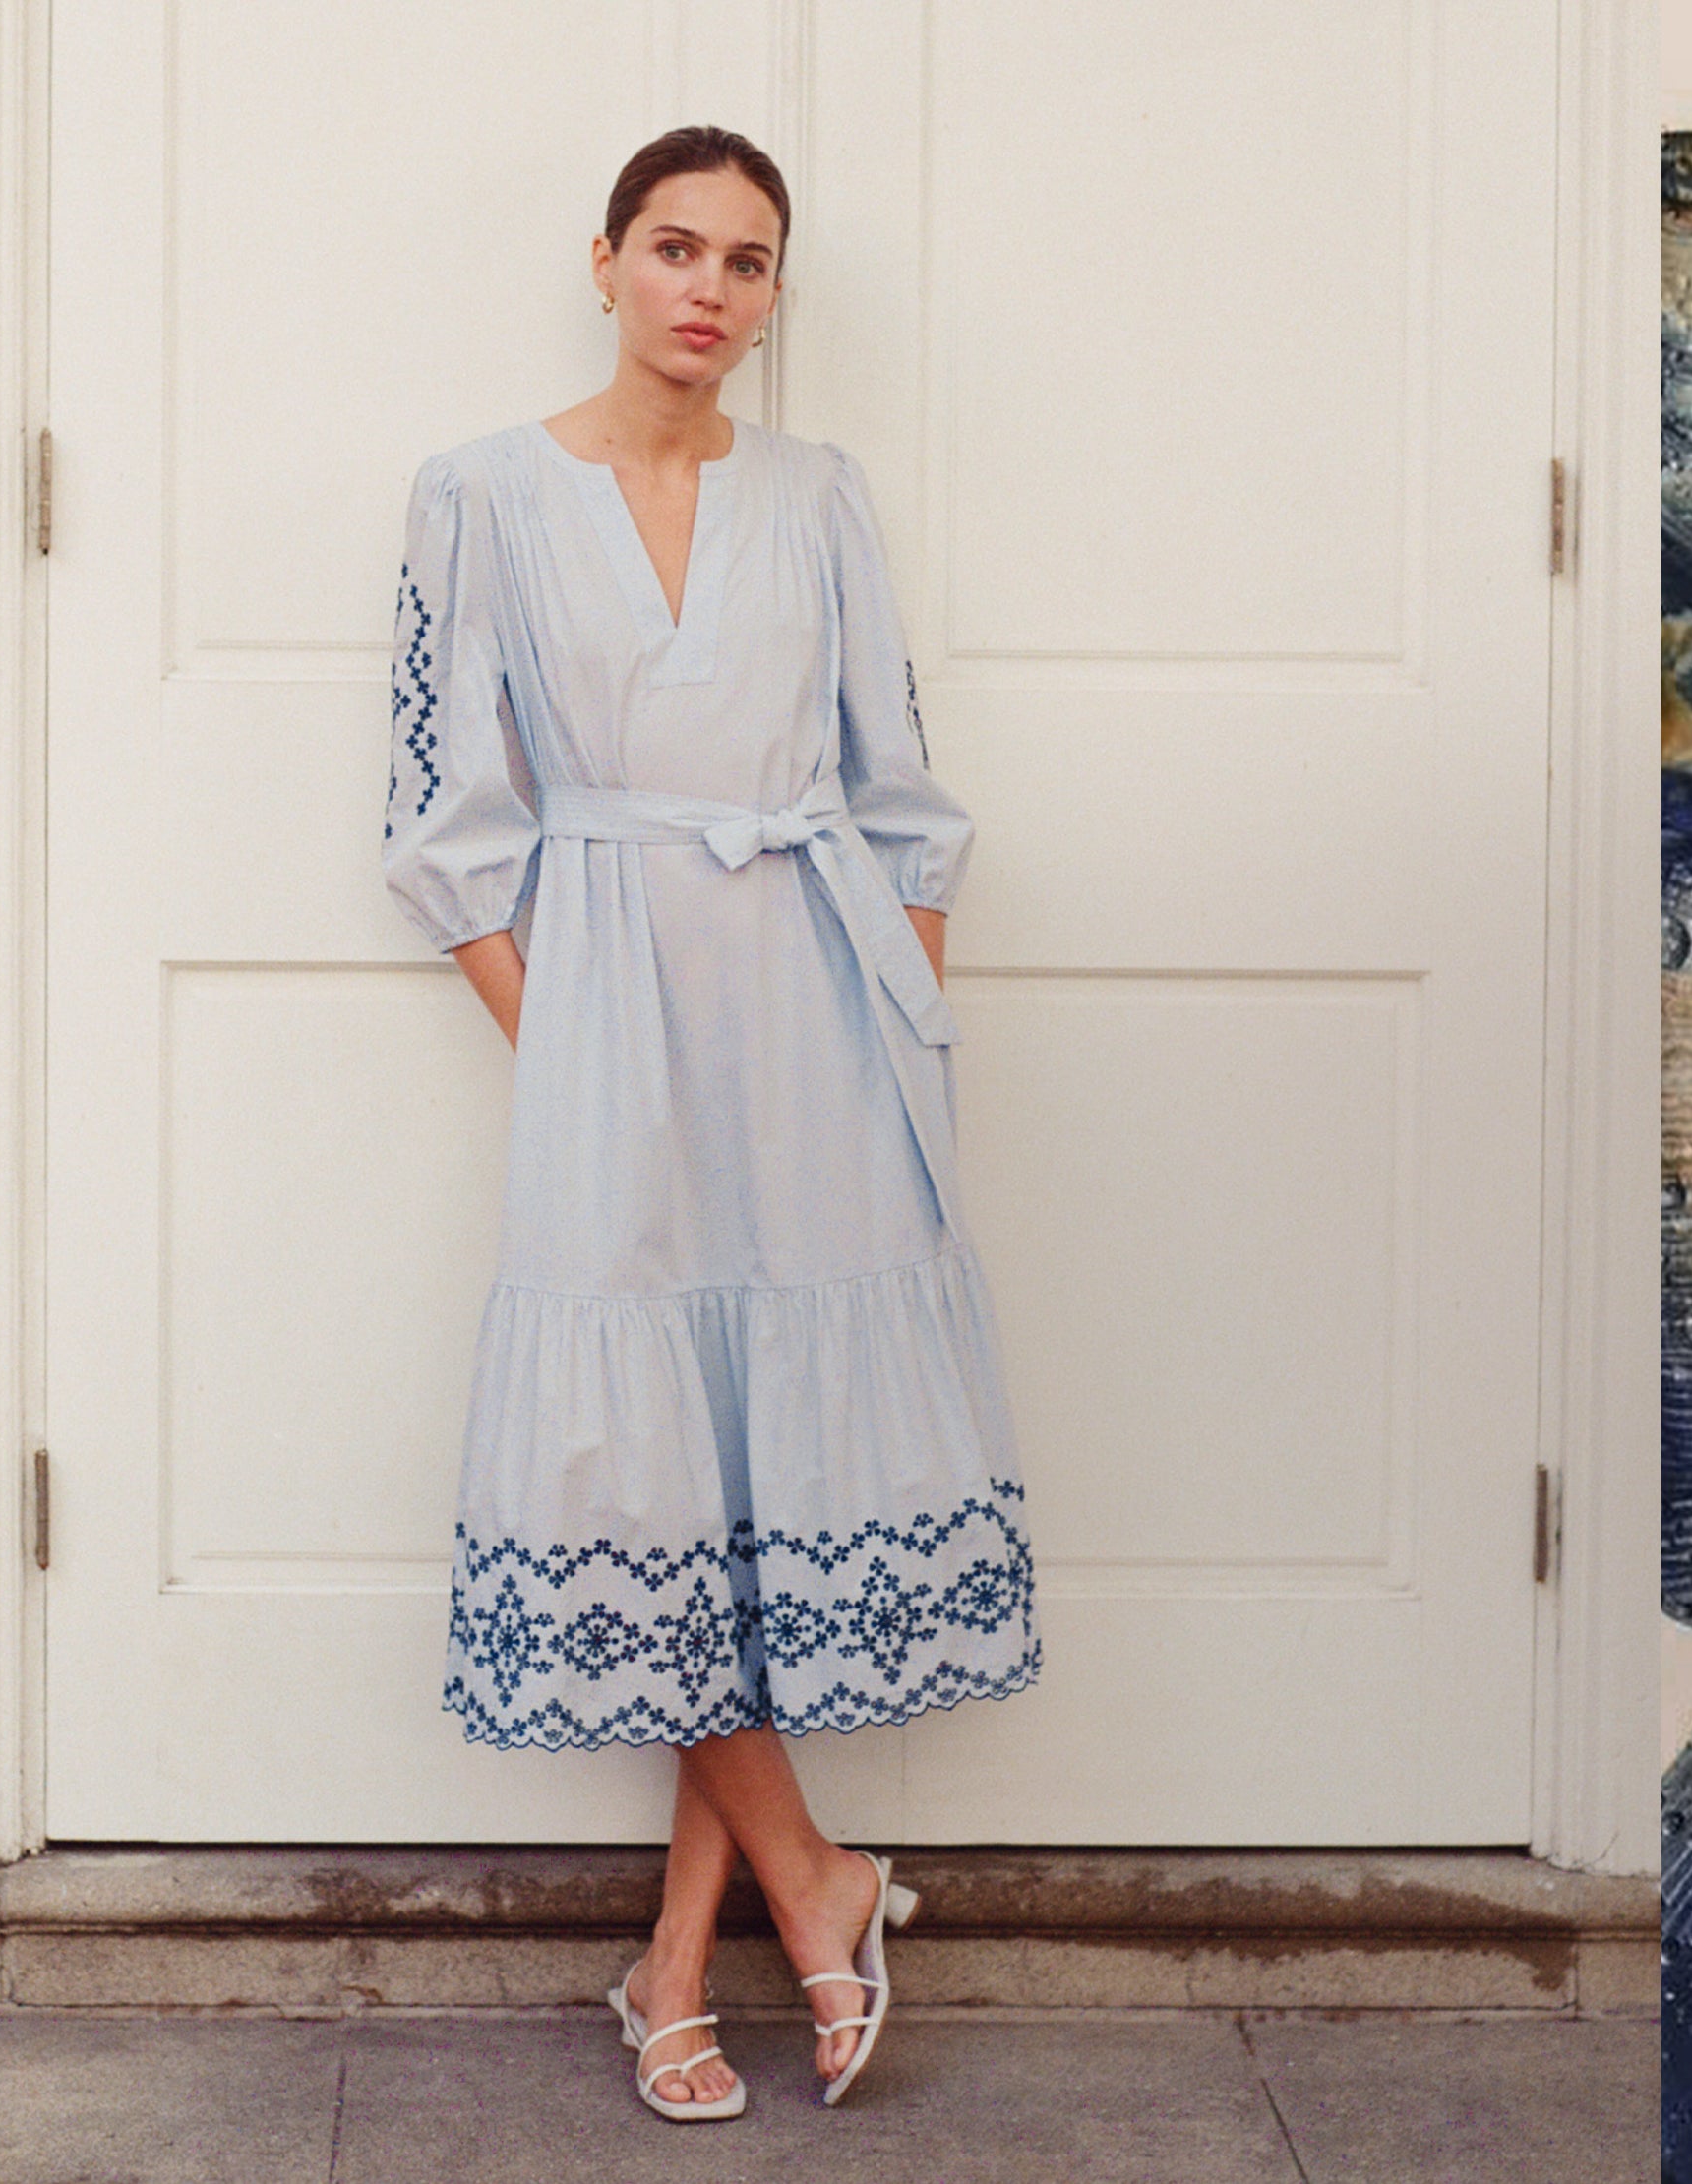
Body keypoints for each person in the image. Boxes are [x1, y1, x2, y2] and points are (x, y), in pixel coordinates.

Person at [381, 125, 1038, 2119]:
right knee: (648, 1482)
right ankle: (816, 1882)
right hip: (614, 1031)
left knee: (752, 1484)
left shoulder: (822, 497)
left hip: (822, 1022)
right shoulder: (477, 499)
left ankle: (680, 1957)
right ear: (605, 259)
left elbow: (901, 784)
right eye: (677, 246)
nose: (709, 289)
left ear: (769, 298)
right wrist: (567, 1036)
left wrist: (896, 1008)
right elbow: (440, 828)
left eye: (749, 263)